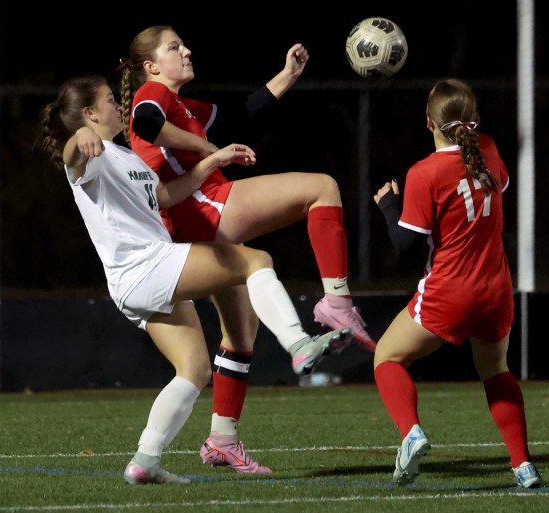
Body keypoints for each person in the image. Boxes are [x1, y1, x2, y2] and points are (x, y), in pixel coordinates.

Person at [35, 75, 352, 484]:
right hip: (146, 267)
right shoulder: (89, 156)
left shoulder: (125, 156)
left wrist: (211, 163)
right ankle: (298, 343)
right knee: (254, 260)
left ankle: (145, 461)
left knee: (194, 369)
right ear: (90, 113)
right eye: (110, 101)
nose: (119, 105)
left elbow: (165, 197)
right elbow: (72, 158)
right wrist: (78, 136)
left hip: (138, 281)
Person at [116, 25, 375, 475]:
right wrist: (206, 149)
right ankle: (336, 302)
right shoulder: (153, 92)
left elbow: (237, 112)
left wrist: (285, 77)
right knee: (322, 188)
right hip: (202, 208)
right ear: (151, 65)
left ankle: (222, 440)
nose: (187, 50)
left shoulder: (179, 102)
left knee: (239, 335)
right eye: (174, 47)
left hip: (190, 226)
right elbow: (143, 122)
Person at [372, 78, 542, 488]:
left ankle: (411, 433)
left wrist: (386, 205)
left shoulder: (424, 172)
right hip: (496, 289)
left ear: (429, 122)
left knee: (386, 358)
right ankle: (523, 465)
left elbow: (404, 243)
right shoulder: (488, 149)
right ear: (471, 120)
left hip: (451, 290)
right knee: (496, 370)